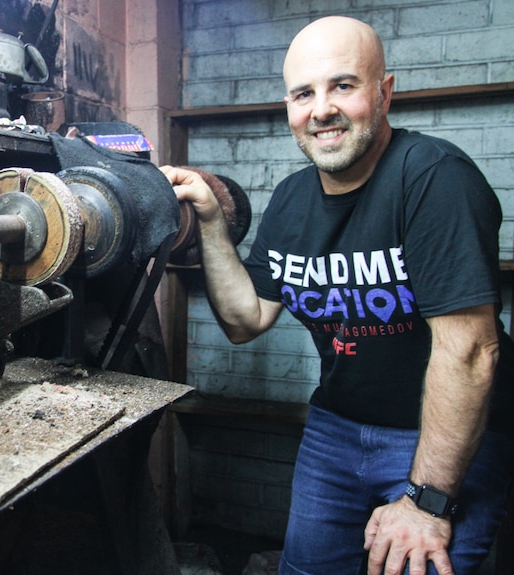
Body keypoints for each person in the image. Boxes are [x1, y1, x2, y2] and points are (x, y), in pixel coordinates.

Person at [161, 15, 514, 575]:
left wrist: (427, 503)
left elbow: (471, 352)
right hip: (335, 432)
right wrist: (208, 219)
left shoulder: (436, 178)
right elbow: (244, 319)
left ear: (384, 92)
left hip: (441, 437)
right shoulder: (292, 198)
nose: (321, 109)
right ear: (289, 107)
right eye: (304, 93)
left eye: (343, 86)